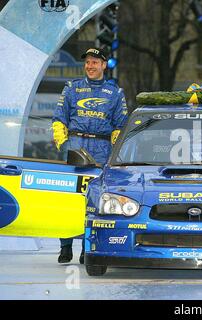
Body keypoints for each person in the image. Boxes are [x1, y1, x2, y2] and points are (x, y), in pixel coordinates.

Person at [52, 48, 128, 264]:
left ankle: (88, 248)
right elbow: (58, 119)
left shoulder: (115, 92)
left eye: (95, 62)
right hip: (75, 145)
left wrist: (115, 151)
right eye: (87, 62)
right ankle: (65, 247)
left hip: (101, 148)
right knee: (68, 198)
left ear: (104, 65)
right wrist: (64, 143)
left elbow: (120, 126)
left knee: (93, 201)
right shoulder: (72, 88)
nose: (90, 66)